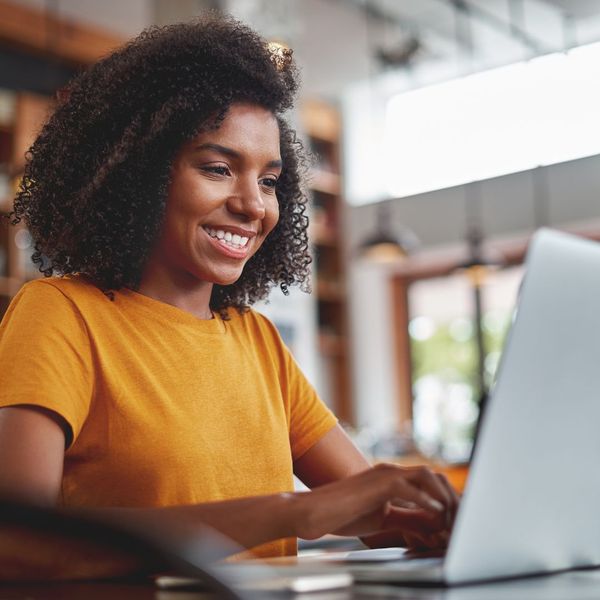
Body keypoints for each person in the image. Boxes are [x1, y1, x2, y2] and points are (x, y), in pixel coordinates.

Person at [0, 14, 458, 580]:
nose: (254, 205)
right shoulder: (61, 314)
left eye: (269, 180)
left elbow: (377, 514)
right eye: (218, 169)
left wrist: (448, 518)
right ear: (138, 175)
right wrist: (297, 511)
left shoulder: (255, 338)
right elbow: (20, 545)